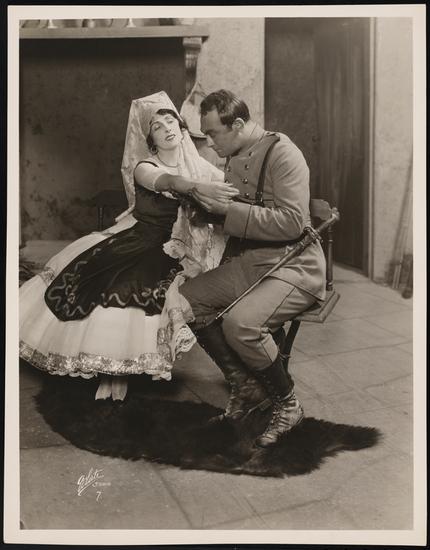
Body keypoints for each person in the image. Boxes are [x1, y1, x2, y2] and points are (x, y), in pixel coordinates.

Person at [19, 91, 236, 400]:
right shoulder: (145, 166)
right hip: (141, 237)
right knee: (118, 282)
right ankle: (111, 371)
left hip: (180, 245)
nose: (166, 128)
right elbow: (169, 182)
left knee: (167, 288)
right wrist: (196, 187)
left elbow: (232, 189)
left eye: (170, 121)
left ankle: (127, 370)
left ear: (181, 127)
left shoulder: (199, 166)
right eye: (157, 127)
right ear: (151, 140)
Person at [177, 89, 327, 447]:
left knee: (241, 324)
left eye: (212, 133)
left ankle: (288, 406)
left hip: (294, 263)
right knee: (185, 301)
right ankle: (246, 387)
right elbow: (245, 214)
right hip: (254, 262)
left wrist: (227, 211)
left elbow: (292, 222)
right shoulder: (236, 153)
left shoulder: (283, 153)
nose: (209, 143)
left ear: (238, 125)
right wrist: (203, 210)